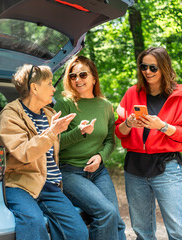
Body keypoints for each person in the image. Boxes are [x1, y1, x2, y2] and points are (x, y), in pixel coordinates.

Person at [0, 64, 89, 240]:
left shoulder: (49, 113)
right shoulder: (10, 115)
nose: (54, 88)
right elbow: (23, 152)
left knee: (78, 232)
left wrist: (71, 131)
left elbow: (52, 149)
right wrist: (52, 132)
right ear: (34, 87)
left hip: (50, 185)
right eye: (49, 83)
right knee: (33, 222)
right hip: (20, 183)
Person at [115, 47, 182, 240]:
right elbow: (119, 131)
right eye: (144, 67)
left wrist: (162, 126)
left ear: (164, 68)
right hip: (134, 167)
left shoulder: (179, 95)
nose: (147, 72)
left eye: (153, 68)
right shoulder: (131, 93)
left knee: (179, 232)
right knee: (142, 232)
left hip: (166, 166)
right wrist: (128, 123)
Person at [53, 56, 126, 240]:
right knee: (106, 212)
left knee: (116, 221)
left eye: (83, 74)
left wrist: (100, 157)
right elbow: (54, 143)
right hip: (70, 172)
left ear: (94, 78)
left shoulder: (106, 106)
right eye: (72, 76)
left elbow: (110, 141)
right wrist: (79, 132)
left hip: (98, 171)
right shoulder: (64, 103)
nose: (77, 79)